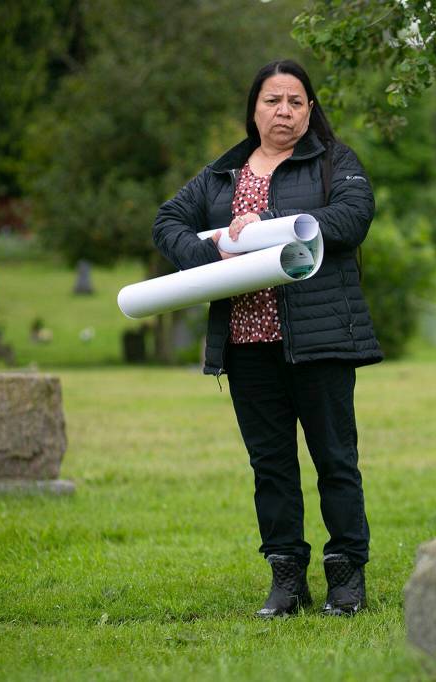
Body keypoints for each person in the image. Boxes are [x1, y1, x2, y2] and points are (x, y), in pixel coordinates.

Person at [152, 59, 382, 618]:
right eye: (273, 101)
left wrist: (264, 226)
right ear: (254, 108)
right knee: (272, 466)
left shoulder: (334, 161)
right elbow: (167, 224)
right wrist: (218, 250)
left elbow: (352, 218)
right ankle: (286, 581)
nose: (285, 111)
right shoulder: (222, 174)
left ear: (311, 109)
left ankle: (347, 577)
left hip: (321, 340)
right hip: (247, 344)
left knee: (335, 459)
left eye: (296, 102)